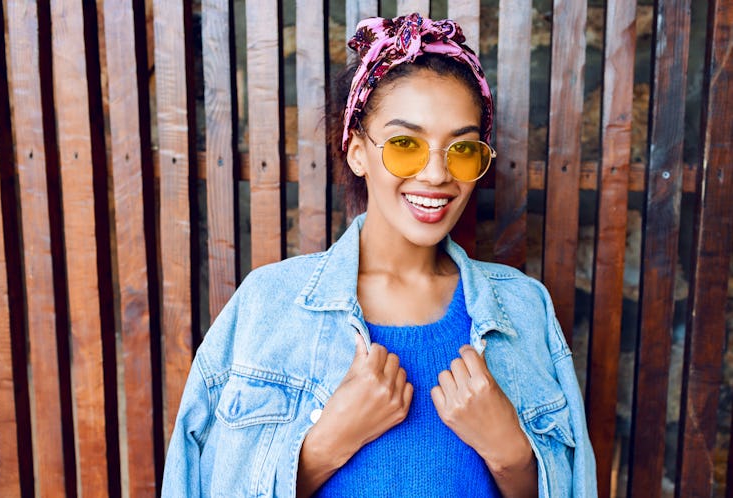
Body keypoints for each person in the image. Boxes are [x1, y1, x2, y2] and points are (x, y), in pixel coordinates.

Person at [161, 13, 596, 498]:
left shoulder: (524, 309)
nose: (436, 175)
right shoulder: (267, 305)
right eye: (405, 144)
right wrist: (322, 448)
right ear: (355, 150)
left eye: (463, 148)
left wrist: (513, 455)